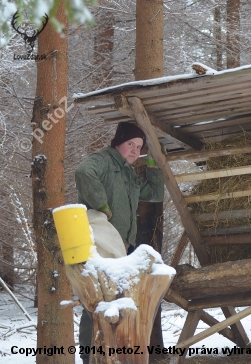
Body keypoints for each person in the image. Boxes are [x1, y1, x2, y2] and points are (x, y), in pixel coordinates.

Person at [74, 122, 164, 363]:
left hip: (122, 246)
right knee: (95, 301)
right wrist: (101, 204)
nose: (135, 151)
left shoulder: (128, 172)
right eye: (130, 144)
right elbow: (83, 172)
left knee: (115, 301)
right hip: (99, 241)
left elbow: (154, 194)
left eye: (139, 147)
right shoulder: (103, 159)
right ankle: (89, 356)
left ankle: (112, 353)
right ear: (118, 142)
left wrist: (153, 164)